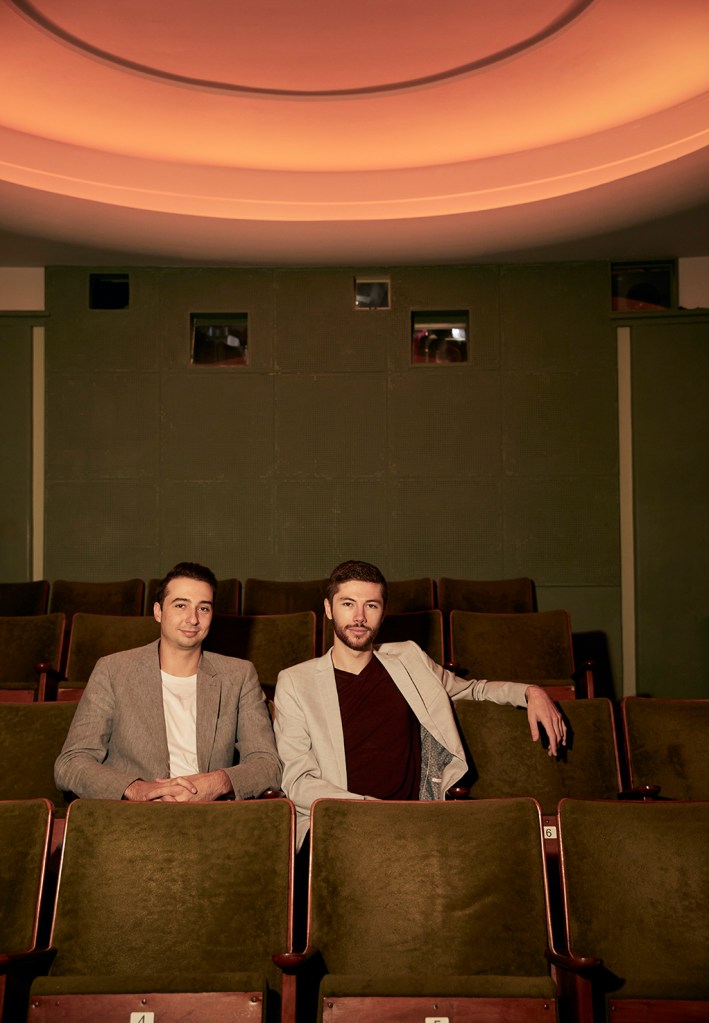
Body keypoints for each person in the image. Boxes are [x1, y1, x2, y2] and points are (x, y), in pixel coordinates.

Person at [274, 559, 567, 850]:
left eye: (371, 605)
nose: (360, 617)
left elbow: (473, 690)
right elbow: (298, 781)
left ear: (383, 612)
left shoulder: (409, 658)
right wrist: (366, 809)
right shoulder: (296, 682)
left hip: (415, 822)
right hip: (339, 823)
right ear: (328, 609)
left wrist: (531, 692)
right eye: (348, 604)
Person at [55, 562, 281, 801]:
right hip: (132, 819)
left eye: (203, 608)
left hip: (209, 816)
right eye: (181, 605)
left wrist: (216, 783)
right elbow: (71, 763)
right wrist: (136, 789)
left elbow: (267, 764)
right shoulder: (113, 671)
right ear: (158, 611)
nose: (192, 619)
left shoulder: (238, 675)